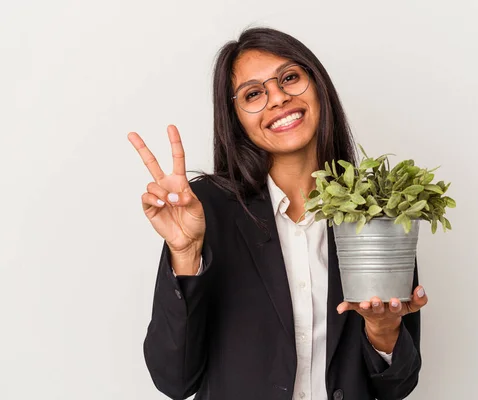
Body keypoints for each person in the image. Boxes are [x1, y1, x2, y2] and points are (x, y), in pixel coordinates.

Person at [128, 27, 428, 400]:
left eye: (289, 78)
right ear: (235, 116)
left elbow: (398, 385)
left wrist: (383, 331)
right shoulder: (205, 209)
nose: (278, 99)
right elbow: (174, 379)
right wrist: (186, 254)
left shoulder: (376, 208)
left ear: (317, 85)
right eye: (254, 94)